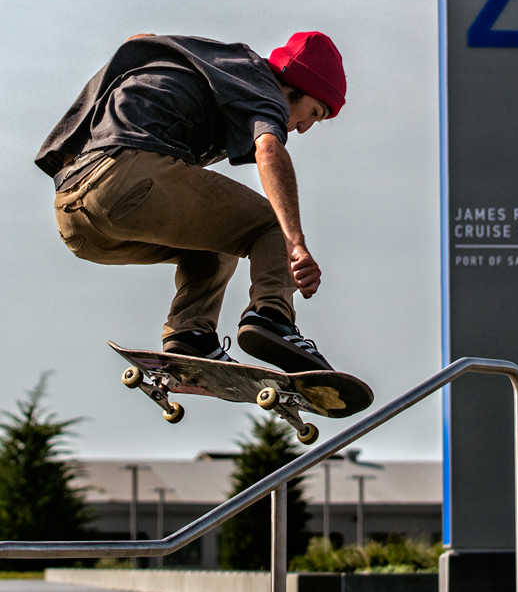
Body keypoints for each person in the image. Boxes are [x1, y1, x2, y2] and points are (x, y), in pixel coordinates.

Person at [35, 31, 347, 372]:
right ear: (294, 86)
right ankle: (273, 316)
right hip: (128, 177)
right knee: (273, 223)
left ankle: (191, 335)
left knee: (217, 242)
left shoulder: (217, 63)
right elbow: (269, 150)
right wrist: (296, 243)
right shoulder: (265, 88)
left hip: (75, 215)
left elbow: (138, 40)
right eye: (314, 112)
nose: (305, 128)